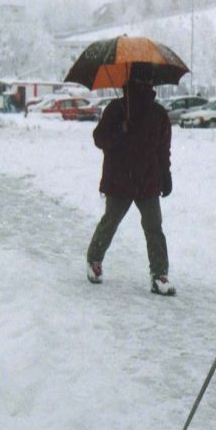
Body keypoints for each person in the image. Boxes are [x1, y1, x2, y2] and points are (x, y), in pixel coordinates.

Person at [86, 77, 176, 295]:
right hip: (120, 179)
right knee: (111, 222)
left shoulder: (158, 114)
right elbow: (99, 138)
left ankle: (159, 274)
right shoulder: (117, 109)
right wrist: (120, 130)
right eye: (139, 81)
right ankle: (94, 260)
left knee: (154, 227)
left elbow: (163, 149)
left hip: (148, 180)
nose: (144, 86)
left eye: (146, 81)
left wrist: (166, 176)